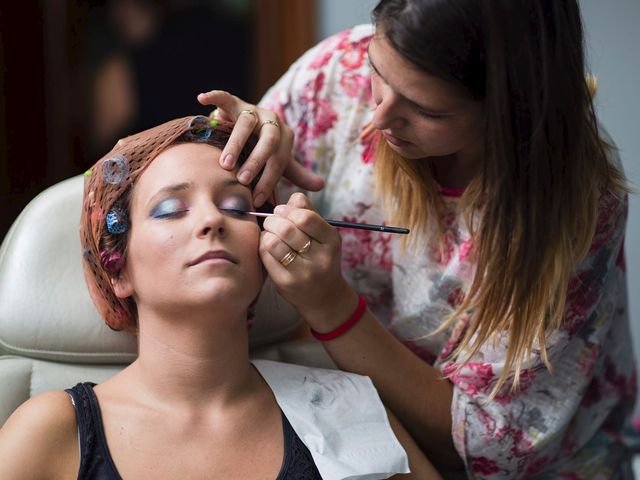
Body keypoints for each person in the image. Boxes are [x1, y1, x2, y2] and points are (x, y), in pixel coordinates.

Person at [197, 0, 639, 477]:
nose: (378, 117)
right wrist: (233, 138)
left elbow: (483, 446)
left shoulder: (569, 210)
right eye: (378, 72)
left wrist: (332, 308)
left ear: (511, 109)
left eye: (426, 109)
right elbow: (217, 168)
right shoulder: (340, 71)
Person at [0, 115, 441, 479]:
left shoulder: (343, 408)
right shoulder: (54, 431)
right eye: (171, 210)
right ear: (117, 269)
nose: (213, 220)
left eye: (235, 207)